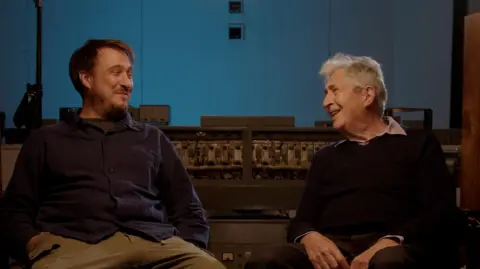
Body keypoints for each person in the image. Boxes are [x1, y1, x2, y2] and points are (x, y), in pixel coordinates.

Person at [0, 39, 225, 269]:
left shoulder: (153, 138)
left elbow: (188, 206)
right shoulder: (45, 140)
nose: (127, 82)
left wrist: (190, 245)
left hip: (155, 243)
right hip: (76, 249)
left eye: (129, 74)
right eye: (116, 73)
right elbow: (15, 211)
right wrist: (35, 245)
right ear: (86, 79)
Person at [245, 53, 460, 269]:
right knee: (266, 259)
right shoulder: (326, 157)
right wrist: (310, 238)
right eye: (325, 93)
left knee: (388, 262)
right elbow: (301, 221)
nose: (326, 102)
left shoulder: (418, 144)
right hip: (335, 251)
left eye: (334, 91)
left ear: (367, 95)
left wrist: (391, 241)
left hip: (393, 247)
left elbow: (439, 212)